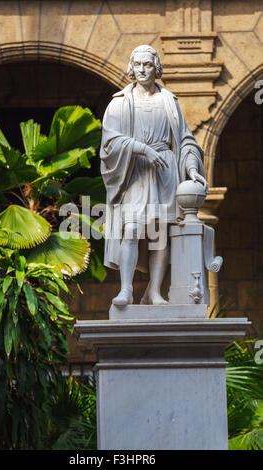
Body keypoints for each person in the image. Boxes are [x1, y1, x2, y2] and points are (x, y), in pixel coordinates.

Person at [100, 45, 208, 306]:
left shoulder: (168, 101)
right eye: (137, 64)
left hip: (164, 172)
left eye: (147, 64)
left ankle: (155, 291)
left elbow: (185, 141)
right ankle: (126, 290)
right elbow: (110, 143)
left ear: (156, 67)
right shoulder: (120, 103)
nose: (142, 70)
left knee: (160, 233)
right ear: (131, 67)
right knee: (132, 228)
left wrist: (192, 168)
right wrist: (142, 149)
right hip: (135, 170)